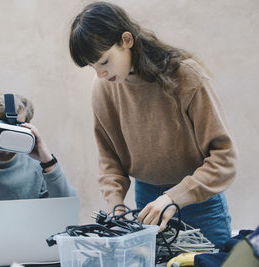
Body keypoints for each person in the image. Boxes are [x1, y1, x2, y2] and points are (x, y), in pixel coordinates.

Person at [69, 1, 237, 247]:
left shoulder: (185, 76)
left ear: (127, 40)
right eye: (93, 67)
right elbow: (110, 161)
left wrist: (174, 197)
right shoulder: (103, 89)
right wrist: (116, 207)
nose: (100, 74)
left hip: (200, 203)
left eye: (104, 62)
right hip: (147, 203)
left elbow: (225, 158)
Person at [0, 93, 76, 201]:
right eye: (0, 125)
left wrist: (48, 162)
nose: (6, 136)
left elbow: (68, 206)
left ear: (27, 128)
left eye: (16, 127)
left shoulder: (36, 167)